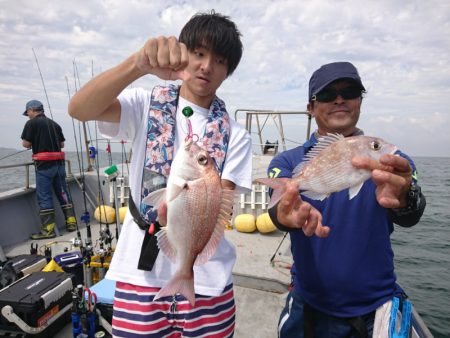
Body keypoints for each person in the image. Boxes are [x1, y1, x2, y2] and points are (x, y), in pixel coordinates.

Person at [68, 11, 252, 337]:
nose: (207, 66)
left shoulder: (236, 134)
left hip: (207, 278)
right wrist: (137, 64)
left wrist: (184, 205)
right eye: (198, 53)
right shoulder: (144, 103)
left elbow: (219, 203)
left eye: (220, 60)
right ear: (184, 52)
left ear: (228, 71)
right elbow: (79, 109)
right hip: (139, 273)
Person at [267, 62, 426, 337]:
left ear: (360, 101)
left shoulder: (391, 160)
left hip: (374, 305)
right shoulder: (287, 161)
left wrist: (404, 197)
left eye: (350, 91)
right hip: (309, 304)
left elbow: (413, 212)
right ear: (311, 107)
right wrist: (284, 215)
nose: (339, 99)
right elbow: (277, 210)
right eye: (328, 95)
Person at [21, 100, 78, 239]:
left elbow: (26, 144)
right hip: (59, 166)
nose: (27, 115)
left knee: (44, 197)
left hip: (44, 168)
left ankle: (48, 230)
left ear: (32, 110)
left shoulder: (31, 123)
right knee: (63, 193)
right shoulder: (55, 124)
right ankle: (72, 224)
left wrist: (35, 141)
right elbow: (62, 144)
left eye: (27, 112)